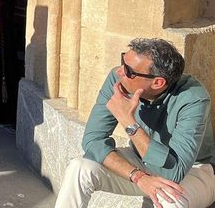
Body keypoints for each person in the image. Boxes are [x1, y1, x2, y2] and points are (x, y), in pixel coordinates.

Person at [55, 38, 215, 208]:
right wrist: (138, 176)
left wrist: (128, 121)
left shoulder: (193, 98)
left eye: (129, 71)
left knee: (169, 201)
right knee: (79, 168)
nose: (120, 72)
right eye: (123, 62)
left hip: (193, 171)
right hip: (142, 163)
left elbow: (173, 173)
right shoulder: (117, 80)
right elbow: (92, 140)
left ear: (157, 82)